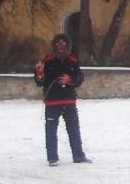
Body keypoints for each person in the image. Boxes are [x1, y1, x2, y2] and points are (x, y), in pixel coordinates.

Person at [34, 34, 90, 165]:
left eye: (64, 44)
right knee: (51, 130)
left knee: (74, 129)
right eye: (58, 44)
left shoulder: (72, 61)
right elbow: (39, 82)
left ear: (68, 46)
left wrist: (70, 80)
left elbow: (80, 79)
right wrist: (39, 72)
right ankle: (52, 158)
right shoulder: (47, 61)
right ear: (54, 46)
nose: (61, 47)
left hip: (69, 101)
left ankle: (78, 155)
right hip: (52, 101)